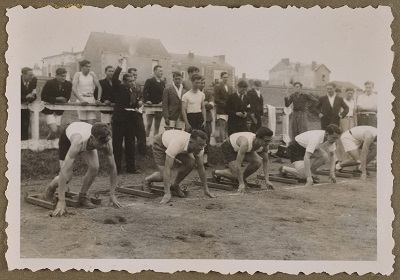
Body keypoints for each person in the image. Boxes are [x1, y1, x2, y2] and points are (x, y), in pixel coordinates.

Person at [42, 122, 122, 217]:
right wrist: (61, 201)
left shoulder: (106, 142)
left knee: (94, 167)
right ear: (92, 138)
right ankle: (50, 188)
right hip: (68, 138)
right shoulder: (78, 142)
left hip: (86, 138)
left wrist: (112, 194)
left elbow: (113, 168)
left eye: (105, 143)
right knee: (67, 177)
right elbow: (63, 171)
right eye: (101, 143)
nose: (103, 146)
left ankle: (83, 196)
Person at [143, 129, 215, 204]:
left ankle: (175, 185)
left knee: (191, 163)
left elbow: (200, 167)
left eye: (203, 145)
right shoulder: (176, 144)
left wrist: (206, 188)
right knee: (163, 175)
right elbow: (167, 168)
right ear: (191, 142)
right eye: (199, 145)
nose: (201, 148)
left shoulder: (199, 147)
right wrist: (167, 193)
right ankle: (147, 180)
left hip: (175, 144)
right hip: (160, 144)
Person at [213, 127, 275, 193]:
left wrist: (267, 180)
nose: (268, 143)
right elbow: (238, 164)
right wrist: (241, 184)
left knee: (258, 162)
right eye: (266, 141)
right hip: (228, 146)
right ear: (258, 138)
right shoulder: (245, 143)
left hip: (241, 148)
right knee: (235, 175)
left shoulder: (265, 145)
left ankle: (240, 178)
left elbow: (265, 161)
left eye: (269, 141)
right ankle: (217, 172)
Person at [111, 59, 141, 174]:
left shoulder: (133, 90)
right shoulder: (119, 87)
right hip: (119, 120)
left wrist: (138, 104)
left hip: (130, 120)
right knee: (117, 145)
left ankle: (131, 168)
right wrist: (119, 65)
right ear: (124, 81)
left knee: (130, 144)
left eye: (133, 81)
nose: (132, 83)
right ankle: (117, 169)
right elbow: (114, 78)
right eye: (129, 81)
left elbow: (134, 103)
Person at [41, 67, 72, 140]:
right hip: (48, 109)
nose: (63, 78)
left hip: (59, 110)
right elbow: (43, 96)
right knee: (54, 129)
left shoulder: (68, 84)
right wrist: (56, 99)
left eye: (64, 76)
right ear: (57, 75)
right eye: (62, 76)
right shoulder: (49, 83)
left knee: (54, 131)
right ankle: (48, 144)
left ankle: (48, 143)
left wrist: (63, 99)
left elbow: (67, 97)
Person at [72, 60, 102, 124]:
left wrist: (98, 99)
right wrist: (81, 100)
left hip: (91, 99)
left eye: (89, 67)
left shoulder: (92, 74)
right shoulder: (78, 74)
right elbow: (73, 88)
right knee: (83, 124)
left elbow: (99, 87)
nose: (88, 68)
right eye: (86, 66)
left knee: (91, 123)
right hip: (81, 99)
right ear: (81, 67)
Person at [127, 67, 147, 155]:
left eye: (136, 75)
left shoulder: (138, 85)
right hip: (128, 113)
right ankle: (130, 152)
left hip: (138, 113)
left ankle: (142, 152)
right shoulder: (126, 85)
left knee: (141, 132)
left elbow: (142, 95)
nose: (135, 77)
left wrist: (141, 100)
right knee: (130, 134)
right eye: (133, 75)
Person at [143, 65, 165, 137]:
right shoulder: (150, 81)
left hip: (159, 106)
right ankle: (146, 141)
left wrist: (162, 101)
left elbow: (164, 94)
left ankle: (155, 141)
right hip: (151, 106)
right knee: (149, 124)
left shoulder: (162, 82)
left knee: (157, 125)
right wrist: (147, 101)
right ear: (155, 71)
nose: (162, 72)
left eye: (162, 71)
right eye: (160, 71)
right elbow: (144, 92)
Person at [214, 71, 233, 142]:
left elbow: (232, 98)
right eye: (224, 77)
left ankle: (228, 143)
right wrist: (225, 105)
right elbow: (216, 99)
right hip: (222, 110)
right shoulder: (217, 86)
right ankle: (222, 143)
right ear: (221, 78)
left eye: (227, 77)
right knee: (222, 126)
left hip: (229, 110)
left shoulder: (230, 87)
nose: (226, 79)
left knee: (228, 127)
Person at [199, 78, 214, 168]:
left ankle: (205, 161)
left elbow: (211, 105)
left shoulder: (208, 93)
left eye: (204, 83)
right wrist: (204, 103)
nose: (202, 84)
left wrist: (204, 105)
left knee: (207, 138)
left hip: (207, 119)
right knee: (198, 139)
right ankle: (198, 161)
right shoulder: (194, 93)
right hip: (198, 118)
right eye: (201, 83)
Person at [21, 67, 37, 140]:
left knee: (25, 123)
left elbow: (34, 94)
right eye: (30, 75)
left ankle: (24, 141)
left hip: (26, 106)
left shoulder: (34, 80)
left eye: (32, 75)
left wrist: (31, 97)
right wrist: (25, 97)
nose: (32, 77)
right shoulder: (15, 80)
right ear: (23, 74)